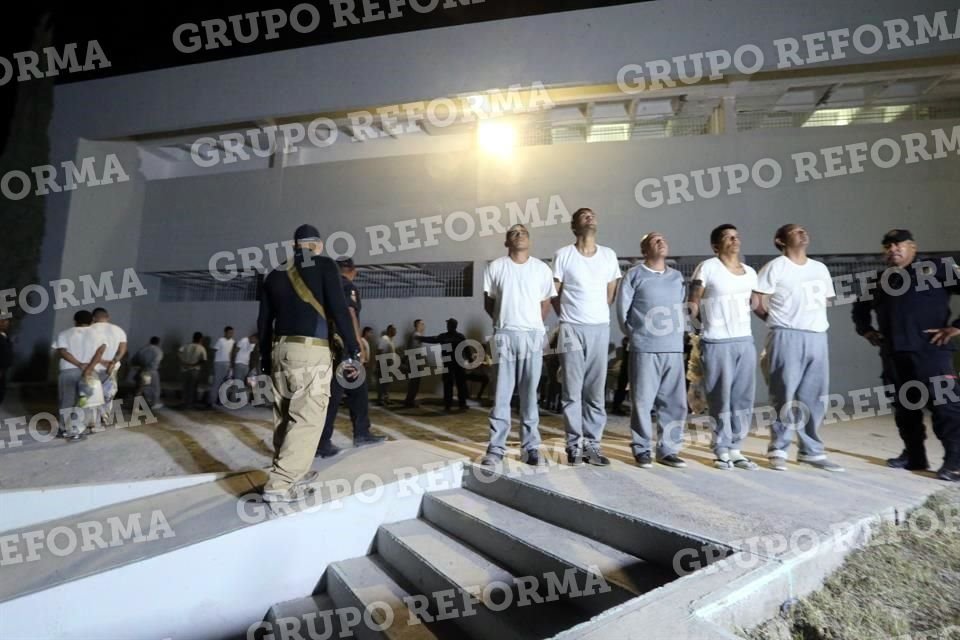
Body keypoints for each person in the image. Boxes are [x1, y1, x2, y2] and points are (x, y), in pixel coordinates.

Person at [257, 224, 362, 503]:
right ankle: (281, 484)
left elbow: (263, 322)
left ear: (295, 246)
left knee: (284, 415)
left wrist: (264, 360)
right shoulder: (326, 265)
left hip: (280, 349)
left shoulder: (274, 274)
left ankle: (292, 471)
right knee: (307, 417)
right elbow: (338, 308)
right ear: (317, 245)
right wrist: (352, 346)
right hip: (310, 350)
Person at [852, 229, 960, 482]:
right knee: (905, 409)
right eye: (888, 246)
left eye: (899, 244)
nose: (893, 249)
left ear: (913, 246)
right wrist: (867, 330)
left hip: (931, 353)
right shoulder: (878, 280)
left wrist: (957, 326)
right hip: (894, 356)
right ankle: (914, 456)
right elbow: (860, 310)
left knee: (946, 408)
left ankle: (954, 461)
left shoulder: (936, 269)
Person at [752, 224, 844, 472]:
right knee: (783, 394)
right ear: (780, 240)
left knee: (813, 397)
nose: (803, 233)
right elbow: (756, 300)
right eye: (795, 231)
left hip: (816, 336)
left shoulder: (819, 269)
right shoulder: (775, 267)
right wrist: (775, 321)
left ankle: (811, 451)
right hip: (785, 335)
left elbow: (824, 300)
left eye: (804, 230)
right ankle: (778, 448)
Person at [480, 224, 557, 467]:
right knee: (501, 395)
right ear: (506, 242)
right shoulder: (496, 267)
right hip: (504, 334)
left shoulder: (541, 269)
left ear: (530, 241)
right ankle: (496, 448)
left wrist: (531, 324)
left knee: (529, 396)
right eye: (514, 232)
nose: (519, 234)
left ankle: (530, 448)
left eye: (523, 231)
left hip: (532, 335)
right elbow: (489, 303)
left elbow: (545, 304)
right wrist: (506, 323)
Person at [552, 207, 622, 466]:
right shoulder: (563, 255)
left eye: (593, 214)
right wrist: (569, 316)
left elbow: (610, 292)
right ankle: (573, 446)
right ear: (574, 226)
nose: (590, 217)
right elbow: (554, 292)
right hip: (571, 328)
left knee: (595, 391)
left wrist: (595, 315)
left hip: (599, 328)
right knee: (572, 391)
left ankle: (592, 445)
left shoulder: (608, 255)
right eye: (584, 215)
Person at [688, 224, 759, 470]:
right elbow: (694, 301)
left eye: (737, 236)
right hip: (716, 341)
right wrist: (698, 322)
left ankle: (736, 449)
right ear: (716, 245)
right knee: (720, 399)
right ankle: (721, 449)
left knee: (743, 398)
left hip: (744, 341)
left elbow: (758, 304)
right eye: (728, 237)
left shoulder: (750, 272)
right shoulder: (708, 267)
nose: (734, 239)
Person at [616, 232, 688, 469]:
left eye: (663, 239)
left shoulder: (676, 277)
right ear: (645, 250)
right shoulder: (634, 275)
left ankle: (668, 449)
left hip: (673, 349)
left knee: (674, 403)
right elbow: (622, 312)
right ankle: (642, 449)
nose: (662, 242)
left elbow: (679, 308)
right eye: (655, 240)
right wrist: (636, 335)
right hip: (645, 348)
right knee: (642, 402)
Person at [316, 258, 386, 458]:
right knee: (336, 393)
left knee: (357, 388)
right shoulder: (347, 285)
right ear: (353, 271)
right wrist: (357, 345)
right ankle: (322, 442)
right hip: (344, 347)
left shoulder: (326, 287)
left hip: (330, 345)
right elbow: (349, 313)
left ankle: (362, 432)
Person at [52, 310, 102, 440]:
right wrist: (88, 368)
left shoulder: (64, 333)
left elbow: (62, 351)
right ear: (92, 321)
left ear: (75, 321)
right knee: (84, 401)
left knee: (66, 401)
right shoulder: (98, 335)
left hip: (68, 371)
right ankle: (76, 430)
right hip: (89, 373)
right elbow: (99, 353)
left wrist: (79, 364)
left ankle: (63, 429)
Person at [420, 318, 469, 412]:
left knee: (448, 385)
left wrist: (420, 338)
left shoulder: (444, 336)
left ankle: (448, 405)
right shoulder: (460, 336)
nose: (447, 326)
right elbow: (466, 349)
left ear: (450, 326)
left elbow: (433, 339)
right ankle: (462, 404)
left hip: (448, 364)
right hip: (459, 363)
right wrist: (470, 359)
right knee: (461, 385)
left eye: (448, 324)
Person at [90, 307, 127, 425]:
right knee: (108, 394)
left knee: (92, 394)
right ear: (108, 317)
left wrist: (101, 361)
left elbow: (90, 350)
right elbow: (122, 349)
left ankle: (92, 421)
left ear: (94, 318)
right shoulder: (118, 330)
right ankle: (104, 418)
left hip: (93, 368)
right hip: (112, 369)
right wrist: (113, 361)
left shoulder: (90, 329)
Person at [133, 336, 164, 408]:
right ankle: (151, 404)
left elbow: (134, 360)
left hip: (142, 371)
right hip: (151, 372)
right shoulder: (158, 351)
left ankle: (136, 406)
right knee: (153, 389)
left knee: (140, 389)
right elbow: (157, 362)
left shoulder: (143, 349)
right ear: (158, 343)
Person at [178, 332, 207, 409]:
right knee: (192, 387)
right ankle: (189, 404)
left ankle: (183, 402)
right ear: (200, 339)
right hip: (194, 370)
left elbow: (179, 352)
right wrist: (193, 365)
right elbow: (203, 360)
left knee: (185, 386)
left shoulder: (186, 345)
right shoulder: (201, 348)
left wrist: (183, 362)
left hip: (184, 369)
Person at [209, 326, 235, 406]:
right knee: (217, 383)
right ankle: (211, 401)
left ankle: (221, 401)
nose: (231, 334)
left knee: (225, 384)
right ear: (225, 332)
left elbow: (231, 353)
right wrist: (214, 362)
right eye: (230, 332)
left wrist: (231, 365)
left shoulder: (232, 341)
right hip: (219, 363)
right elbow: (214, 350)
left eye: (232, 333)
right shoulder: (220, 340)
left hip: (227, 364)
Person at [403, 319, 426, 408]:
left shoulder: (416, 335)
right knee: (414, 383)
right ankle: (409, 401)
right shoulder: (416, 335)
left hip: (414, 361)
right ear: (418, 325)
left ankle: (410, 400)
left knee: (414, 382)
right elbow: (413, 350)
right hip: (415, 362)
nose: (424, 326)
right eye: (422, 324)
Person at [376, 325, 398, 406]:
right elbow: (379, 350)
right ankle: (380, 399)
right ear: (389, 330)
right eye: (394, 330)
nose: (396, 331)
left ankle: (386, 398)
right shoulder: (384, 339)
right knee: (383, 383)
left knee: (387, 383)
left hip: (389, 364)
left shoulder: (391, 340)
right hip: (384, 364)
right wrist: (378, 364)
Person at [0, 317, 11, 405]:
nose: (6, 323)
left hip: (3, 370)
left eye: (7, 321)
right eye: (3, 321)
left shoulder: (5, 336)